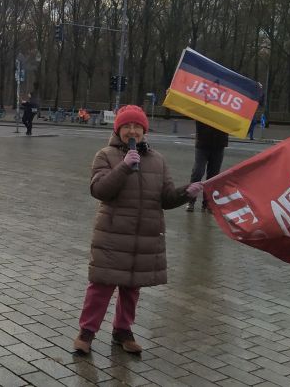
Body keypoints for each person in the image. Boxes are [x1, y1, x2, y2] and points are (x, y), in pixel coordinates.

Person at [73, 105, 202, 355]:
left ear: (144, 130)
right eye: (126, 126)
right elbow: (99, 190)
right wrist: (124, 166)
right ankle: (86, 332)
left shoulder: (157, 160)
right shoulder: (105, 155)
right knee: (101, 286)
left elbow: (165, 198)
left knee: (132, 287)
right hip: (113, 236)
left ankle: (123, 330)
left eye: (137, 127)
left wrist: (186, 192)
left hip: (144, 236)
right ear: (118, 129)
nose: (132, 131)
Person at [187, 121, 228, 212]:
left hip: (219, 143)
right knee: (198, 172)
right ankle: (191, 201)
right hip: (203, 142)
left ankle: (208, 203)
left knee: (213, 175)